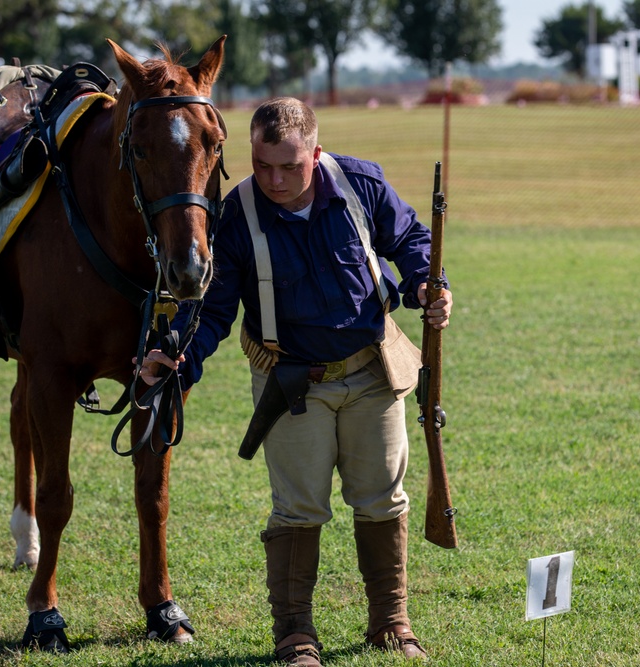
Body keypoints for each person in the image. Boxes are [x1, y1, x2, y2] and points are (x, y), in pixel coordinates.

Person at [139, 97, 452, 665]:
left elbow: (411, 241)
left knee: (383, 500)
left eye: (290, 166)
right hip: (290, 385)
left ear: (317, 152)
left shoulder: (360, 184)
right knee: (299, 511)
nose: (275, 180)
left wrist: (429, 285)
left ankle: (391, 623)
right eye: (262, 166)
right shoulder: (236, 215)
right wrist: (177, 356)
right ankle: (295, 637)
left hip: (372, 371)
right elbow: (212, 310)